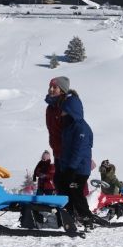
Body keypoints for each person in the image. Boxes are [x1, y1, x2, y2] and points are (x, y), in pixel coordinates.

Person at [51, 76, 94, 227]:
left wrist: (71, 168)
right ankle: (70, 216)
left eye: (64, 110)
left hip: (79, 169)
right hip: (70, 167)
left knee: (75, 192)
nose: (61, 113)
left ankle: (87, 217)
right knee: (66, 190)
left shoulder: (80, 127)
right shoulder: (68, 126)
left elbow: (79, 150)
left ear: (71, 110)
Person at [45, 77, 68, 191]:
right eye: (50, 87)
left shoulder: (66, 106)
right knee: (58, 182)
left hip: (67, 152)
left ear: (62, 90)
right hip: (57, 151)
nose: (51, 89)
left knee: (68, 183)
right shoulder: (50, 107)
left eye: (54, 87)